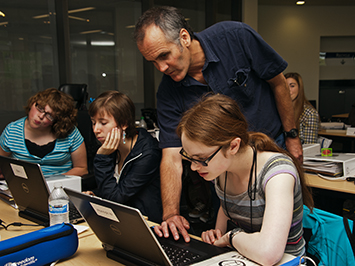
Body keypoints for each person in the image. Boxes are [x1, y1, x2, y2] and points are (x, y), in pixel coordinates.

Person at [133, 6, 302, 242]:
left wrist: (292, 136)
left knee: (279, 229)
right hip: (224, 168)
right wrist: (170, 214)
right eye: (153, 62)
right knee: (231, 229)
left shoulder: (236, 37)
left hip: (271, 148)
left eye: (164, 55)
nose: (161, 68)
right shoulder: (168, 92)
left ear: (184, 37)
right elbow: (171, 156)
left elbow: (279, 83)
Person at [153, 94, 313, 265]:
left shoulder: (278, 173)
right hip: (242, 257)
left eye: (201, 159)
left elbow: (269, 254)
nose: (193, 167)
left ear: (233, 146)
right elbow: (225, 217)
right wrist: (217, 234)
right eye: (189, 158)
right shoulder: (221, 169)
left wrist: (232, 237)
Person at [84, 91, 162, 223]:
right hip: (119, 218)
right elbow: (115, 187)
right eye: (93, 122)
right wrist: (96, 194)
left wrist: (102, 158)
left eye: (103, 123)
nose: (96, 129)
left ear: (124, 123)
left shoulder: (148, 153)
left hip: (146, 224)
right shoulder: (112, 147)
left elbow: (116, 198)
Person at [0, 88, 88, 176]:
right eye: (40, 108)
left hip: (60, 186)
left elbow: (82, 169)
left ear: (57, 121)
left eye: (49, 115)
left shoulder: (71, 133)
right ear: (32, 104)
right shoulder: (12, 130)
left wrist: (54, 182)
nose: (41, 116)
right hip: (25, 186)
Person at [285, 72, 320, 144]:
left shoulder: (309, 113)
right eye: (285, 86)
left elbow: (310, 146)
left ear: (299, 88)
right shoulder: (278, 110)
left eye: (292, 86)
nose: (288, 90)